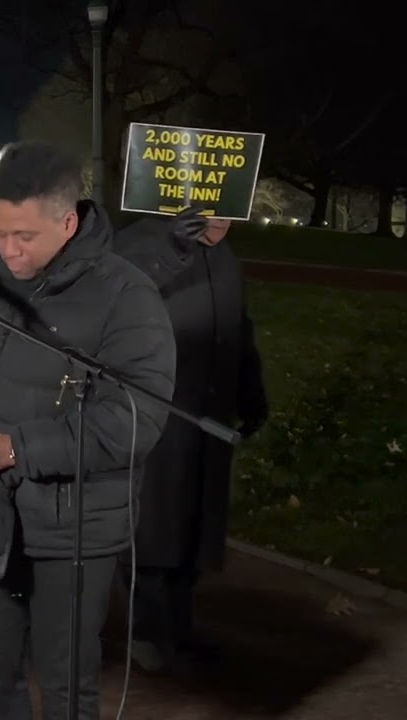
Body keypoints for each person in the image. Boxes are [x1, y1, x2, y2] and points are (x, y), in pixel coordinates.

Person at [0, 140, 177, 719]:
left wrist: (13, 448)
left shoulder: (127, 297)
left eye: (25, 237)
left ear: (68, 221)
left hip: (75, 533)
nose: (7, 251)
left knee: (65, 689)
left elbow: (133, 422)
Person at [110, 208, 270, 676]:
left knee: (195, 525)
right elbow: (117, 292)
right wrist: (171, 247)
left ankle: (179, 628)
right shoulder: (140, 239)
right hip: (158, 414)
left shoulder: (226, 258)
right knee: (154, 525)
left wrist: (250, 390)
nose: (221, 223)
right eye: (212, 210)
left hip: (210, 414)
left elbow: (239, 328)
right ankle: (146, 632)